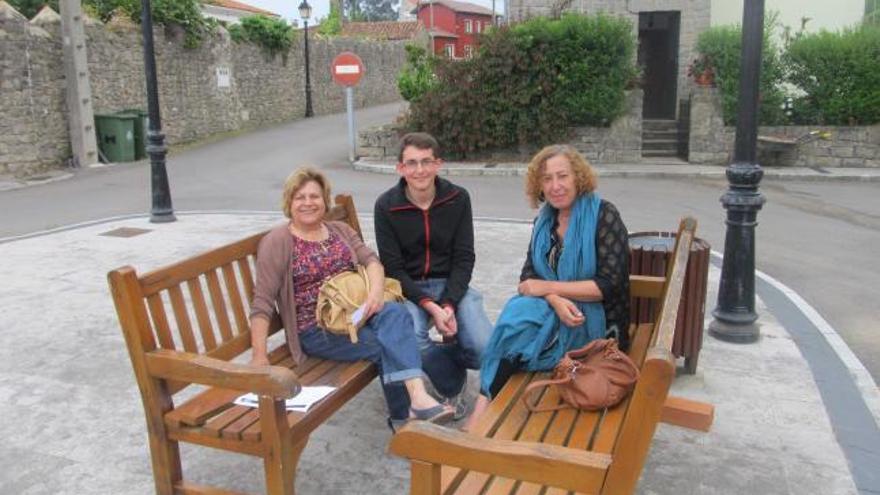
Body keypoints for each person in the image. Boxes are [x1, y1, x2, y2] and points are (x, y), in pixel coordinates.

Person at [248, 167, 453, 424]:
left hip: (357, 313)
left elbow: (373, 262)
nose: (308, 203)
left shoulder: (339, 231)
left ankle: (416, 402)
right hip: (318, 329)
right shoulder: (277, 242)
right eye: (300, 197)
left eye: (315, 196)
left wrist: (375, 296)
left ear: (325, 200)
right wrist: (259, 355)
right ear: (289, 202)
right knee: (387, 344)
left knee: (396, 312)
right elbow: (263, 302)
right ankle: (407, 415)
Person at [464, 144, 630, 431]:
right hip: (554, 313)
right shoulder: (545, 220)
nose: (555, 186)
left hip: (598, 326)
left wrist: (546, 287)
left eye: (562, 176)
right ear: (538, 184)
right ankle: (485, 407)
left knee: (517, 321)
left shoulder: (604, 215)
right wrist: (554, 298)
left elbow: (609, 285)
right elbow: (529, 277)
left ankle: (481, 411)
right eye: (547, 179)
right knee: (519, 315)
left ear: (578, 177)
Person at [374, 132, 493, 422]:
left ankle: (455, 349)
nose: (419, 170)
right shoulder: (386, 206)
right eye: (411, 163)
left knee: (483, 348)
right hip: (409, 289)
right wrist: (430, 306)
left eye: (426, 162)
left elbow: (465, 258)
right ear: (400, 168)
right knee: (412, 339)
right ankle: (452, 381)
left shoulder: (457, 198)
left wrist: (449, 304)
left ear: (438, 164)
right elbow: (393, 268)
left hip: (452, 284)